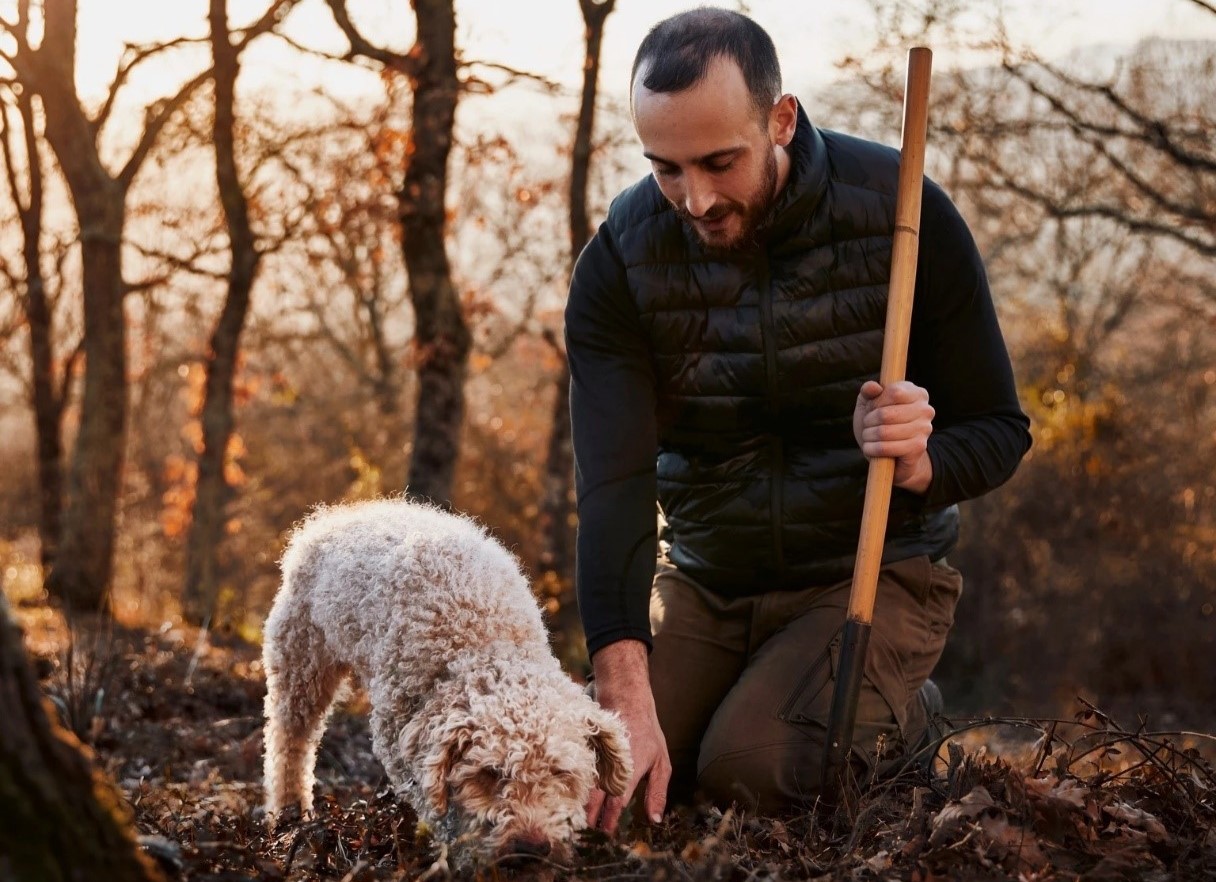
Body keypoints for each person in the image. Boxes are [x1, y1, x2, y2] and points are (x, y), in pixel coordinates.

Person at [565, 7, 1032, 832]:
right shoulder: (621, 263)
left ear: (780, 119)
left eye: (719, 162)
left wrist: (922, 460)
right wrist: (621, 689)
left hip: (869, 572)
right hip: (707, 576)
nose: (695, 199)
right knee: (604, 783)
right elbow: (614, 487)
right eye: (666, 169)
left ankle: (907, 715)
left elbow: (1000, 429)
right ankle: (754, 704)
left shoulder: (902, 216)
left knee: (750, 773)